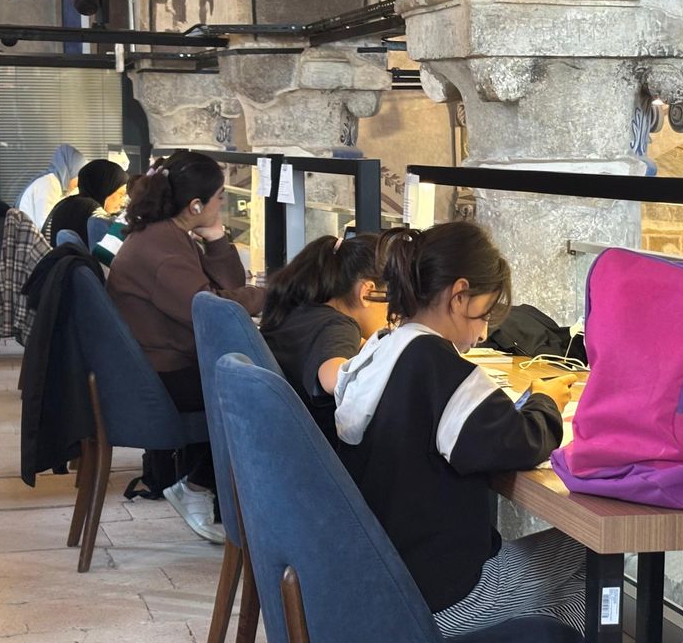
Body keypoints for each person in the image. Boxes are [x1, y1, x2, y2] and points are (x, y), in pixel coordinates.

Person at [332, 221, 584, 636]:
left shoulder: (379, 349)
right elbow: (522, 443)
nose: (483, 332)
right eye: (485, 313)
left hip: (387, 582)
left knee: (578, 597)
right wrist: (545, 401)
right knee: (594, 554)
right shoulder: (440, 369)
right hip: (449, 598)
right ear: (459, 295)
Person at [107, 151, 264, 544]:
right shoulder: (163, 250)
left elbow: (225, 289)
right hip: (159, 380)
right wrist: (269, 295)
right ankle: (197, 486)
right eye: (219, 198)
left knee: (259, 380)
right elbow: (213, 309)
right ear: (196, 205)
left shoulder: (167, 235)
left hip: (159, 366)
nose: (221, 204)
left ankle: (217, 491)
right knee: (260, 393)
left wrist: (217, 238)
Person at [260, 234, 387, 447]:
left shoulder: (297, 312)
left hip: (279, 440)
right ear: (367, 292)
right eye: (393, 302)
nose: (393, 317)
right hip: (319, 450)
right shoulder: (341, 326)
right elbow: (333, 381)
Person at [43, 159, 129, 248]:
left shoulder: (63, 204)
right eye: (121, 194)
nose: (122, 202)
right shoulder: (93, 210)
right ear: (105, 189)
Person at [17, 144, 86, 228]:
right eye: (79, 176)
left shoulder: (57, 185)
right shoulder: (49, 184)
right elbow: (47, 224)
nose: (80, 182)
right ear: (70, 170)